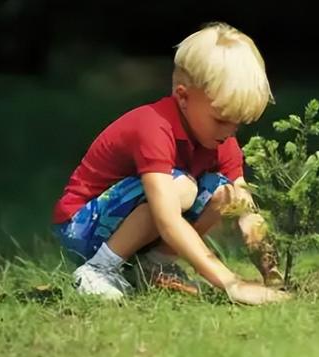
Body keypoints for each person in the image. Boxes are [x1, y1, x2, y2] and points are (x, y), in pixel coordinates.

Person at [52, 22, 289, 305]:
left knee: (227, 194)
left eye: (237, 124)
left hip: (129, 224)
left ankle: (154, 267)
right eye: (221, 119)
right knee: (182, 188)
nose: (229, 132)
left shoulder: (221, 140)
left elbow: (246, 211)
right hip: (83, 226)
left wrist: (273, 277)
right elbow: (166, 218)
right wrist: (231, 283)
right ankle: (97, 270)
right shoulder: (154, 127)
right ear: (183, 96)